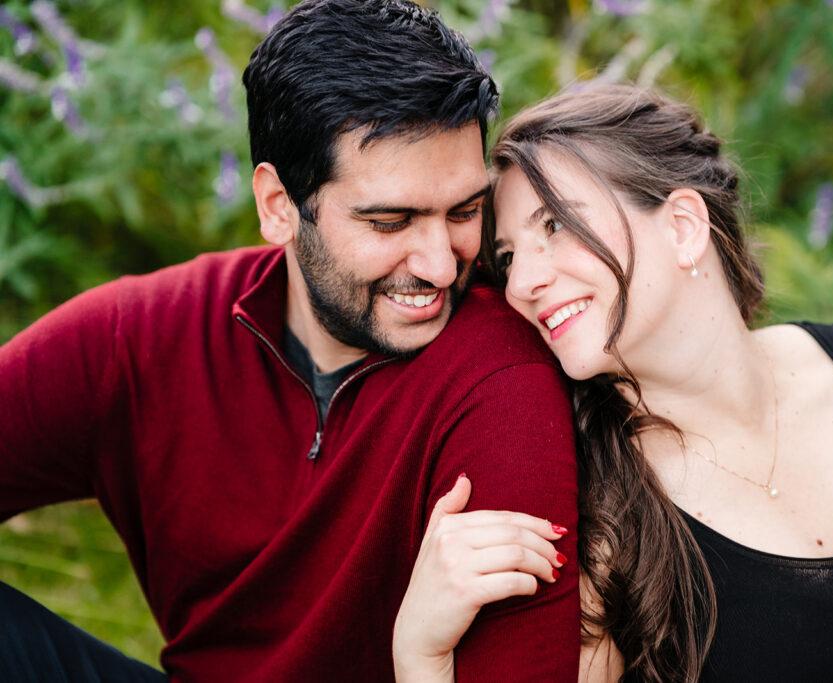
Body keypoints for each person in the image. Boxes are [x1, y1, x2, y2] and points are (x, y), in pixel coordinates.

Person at [0, 1, 580, 680]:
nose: (441, 264)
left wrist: (419, 657)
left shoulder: (501, 378)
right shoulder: (145, 334)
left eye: (463, 211)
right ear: (278, 205)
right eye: (391, 220)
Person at [393, 84, 833, 682]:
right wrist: (419, 656)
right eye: (505, 259)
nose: (522, 283)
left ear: (684, 226)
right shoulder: (604, 516)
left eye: (554, 225)